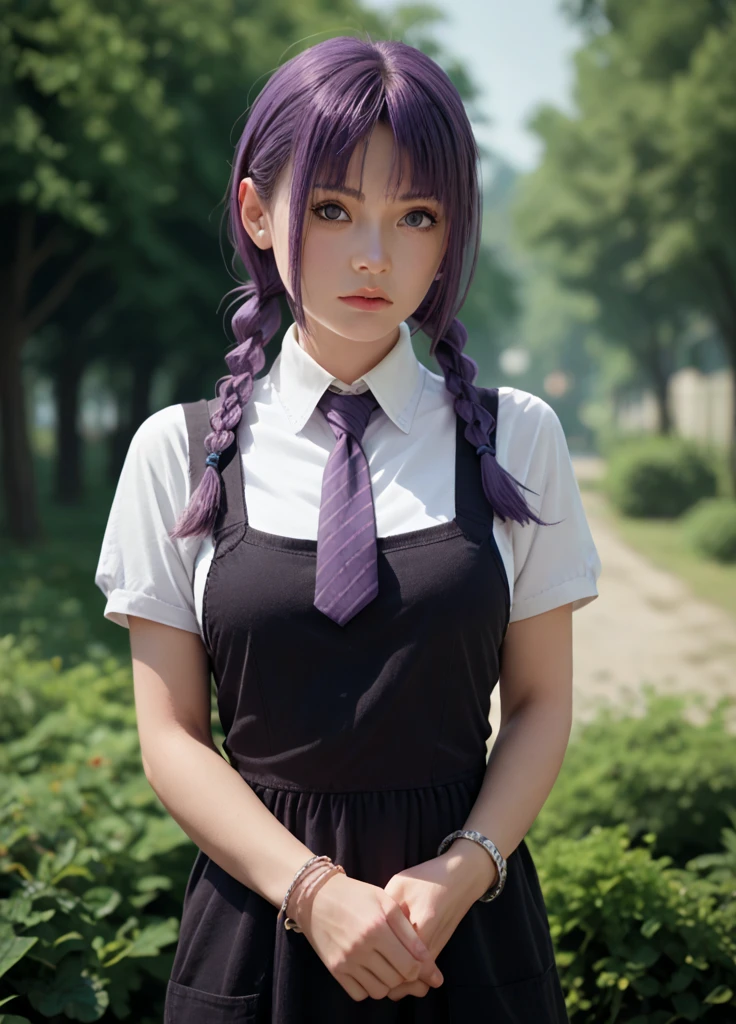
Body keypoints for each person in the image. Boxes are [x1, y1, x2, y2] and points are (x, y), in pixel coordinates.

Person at [94, 35, 602, 1023]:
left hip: (464, 943)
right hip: (256, 945)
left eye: (416, 215)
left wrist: (461, 872)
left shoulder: (516, 439)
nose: (375, 255)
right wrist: (314, 894)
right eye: (332, 209)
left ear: (452, 234)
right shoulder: (179, 450)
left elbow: (540, 702)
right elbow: (170, 737)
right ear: (256, 210)